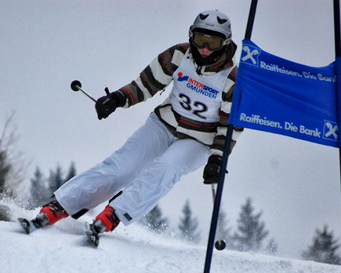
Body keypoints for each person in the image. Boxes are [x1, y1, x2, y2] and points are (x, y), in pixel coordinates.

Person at [27, 10, 244, 240]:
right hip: (164, 124)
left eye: (213, 42)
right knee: (122, 166)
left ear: (225, 43)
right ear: (192, 36)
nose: (205, 49)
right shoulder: (179, 55)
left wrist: (217, 159)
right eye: (201, 40)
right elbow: (146, 84)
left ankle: (113, 214)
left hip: (199, 140)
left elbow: (230, 126)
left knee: (166, 168)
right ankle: (60, 206)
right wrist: (117, 99)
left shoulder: (233, 78)